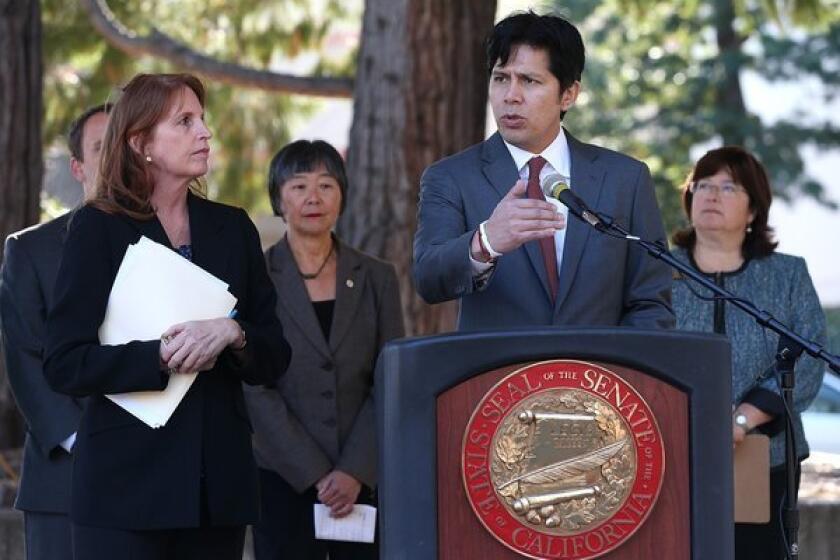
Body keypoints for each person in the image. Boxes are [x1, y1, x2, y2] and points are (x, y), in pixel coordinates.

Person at [42, 73, 291, 560]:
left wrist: (235, 333)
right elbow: (63, 362)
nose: (205, 132)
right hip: (124, 490)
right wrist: (160, 356)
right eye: (185, 121)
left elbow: (275, 355)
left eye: (202, 118)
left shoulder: (234, 227)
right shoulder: (98, 227)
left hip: (217, 490)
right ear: (141, 143)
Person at [413, 11, 673, 331]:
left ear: (568, 94)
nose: (511, 95)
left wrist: (617, 374)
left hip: (595, 378)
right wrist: (486, 241)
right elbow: (428, 278)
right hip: (498, 377)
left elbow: (650, 303)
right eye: (501, 78)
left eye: (529, 81)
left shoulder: (625, 179)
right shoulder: (451, 177)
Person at [244, 140, 404, 560]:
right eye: (298, 186)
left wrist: (354, 470)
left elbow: (390, 379)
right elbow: (252, 384)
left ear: (342, 195)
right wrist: (315, 472)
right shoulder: (253, 277)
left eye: (326, 185)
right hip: (281, 476)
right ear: (279, 199)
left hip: (362, 479)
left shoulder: (377, 278)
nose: (313, 198)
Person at [670, 146, 826, 559]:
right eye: (702, 185)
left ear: (754, 210)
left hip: (765, 458)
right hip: (672, 455)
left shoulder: (787, 274)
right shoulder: (658, 274)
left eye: (728, 187)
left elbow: (807, 358)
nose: (711, 195)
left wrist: (742, 419)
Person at [0, 103, 109, 560]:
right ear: (78, 167)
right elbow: (25, 360)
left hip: (161, 480)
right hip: (65, 477)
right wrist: (84, 444)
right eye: (104, 147)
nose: (120, 156)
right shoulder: (31, 250)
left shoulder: (182, 242)